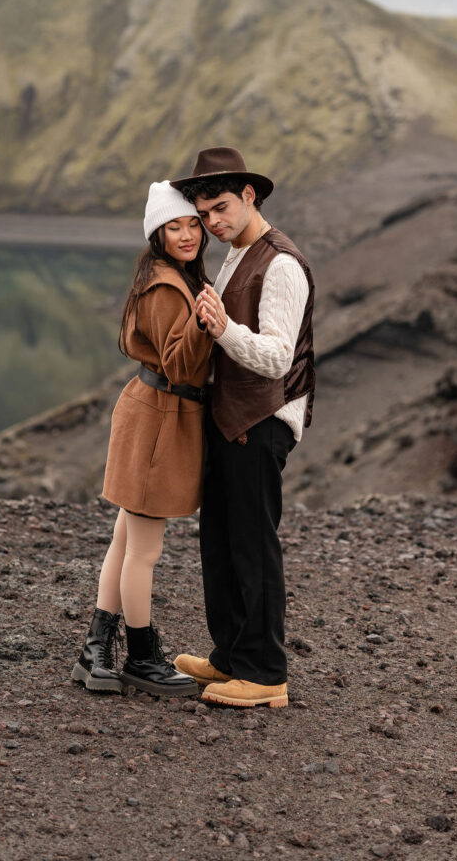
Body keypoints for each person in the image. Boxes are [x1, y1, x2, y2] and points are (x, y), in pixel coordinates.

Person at [170, 147, 315, 708]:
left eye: (221, 208)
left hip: (262, 422)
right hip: (233, 419)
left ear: (251, 196)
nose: (213, 223)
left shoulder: (280, 262)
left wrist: (223, 328)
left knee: (253, 546)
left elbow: (278, 358)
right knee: (223, 542)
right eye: (205, 214)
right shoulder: (237, 253)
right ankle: (231, 655)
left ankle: (265, 674)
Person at [71, 181, 213, 697]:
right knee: (144, 550)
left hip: (153, 412)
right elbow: (179, 362)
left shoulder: (169, 277)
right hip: (159, 419)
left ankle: (95, 650)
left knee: (127, 539)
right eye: (173, 227)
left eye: (192, 224)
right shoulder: (165, 287)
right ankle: (143, 657)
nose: (186, 234)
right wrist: (206, 320)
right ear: (156, 234)